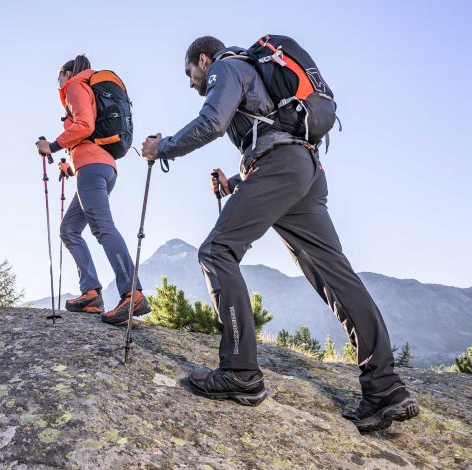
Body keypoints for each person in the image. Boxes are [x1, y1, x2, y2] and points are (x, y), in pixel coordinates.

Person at [141, 36, 418, 432]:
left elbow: (211, 122)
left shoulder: (226, 66)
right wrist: (236, 181)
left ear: (203, 59)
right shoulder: (256, 71)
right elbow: (271, 132)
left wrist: (162, 147)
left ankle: (240, 371)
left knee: (216, 252)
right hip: (304, 170)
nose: (190, 82)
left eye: (190, 72)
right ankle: (385, 387)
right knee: (336, 277)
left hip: (281, 166)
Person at [36, 54, 150, 324]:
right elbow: (90, 135)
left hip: (91, 169)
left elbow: (84, 125)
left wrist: (51, 146)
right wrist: (71, 168)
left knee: (102, 227)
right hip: (101, 168)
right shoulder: (90, 86)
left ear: (66, 74)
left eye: (58, 78)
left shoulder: (75, 86)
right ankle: (90, 293)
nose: (57, 84)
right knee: (70, 230)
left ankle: (132, 293)